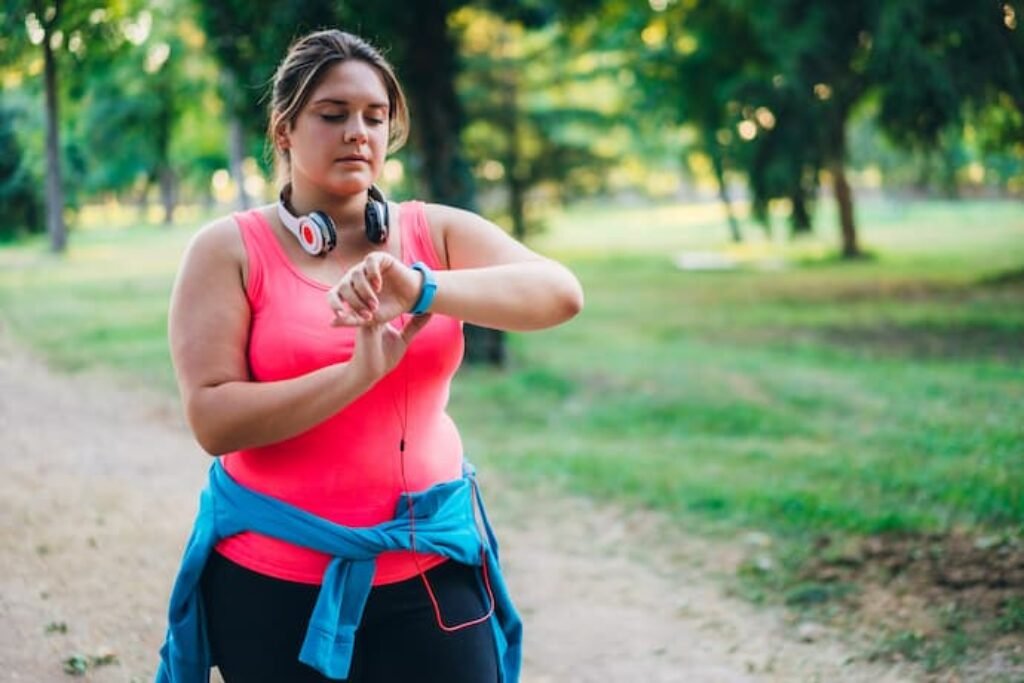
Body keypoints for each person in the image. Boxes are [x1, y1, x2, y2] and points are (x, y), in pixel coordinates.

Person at [157, 28, 583, 683]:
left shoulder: (431, 230)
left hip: (431, 571)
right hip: (275, 584)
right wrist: (355, 375)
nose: (358, 131)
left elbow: (561, 294)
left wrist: (422, 285)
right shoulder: (227, 250)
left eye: (375, 117)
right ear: (284, 131)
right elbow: (214, 419)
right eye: (333, 114)